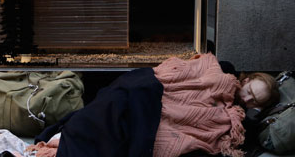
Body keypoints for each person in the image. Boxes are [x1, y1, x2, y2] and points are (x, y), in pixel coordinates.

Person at [31, 54, 280, 157]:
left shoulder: (236, 118)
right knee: (115, 104)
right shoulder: (225, 74)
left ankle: (68, 140)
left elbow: (230, 133)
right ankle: (71, 136)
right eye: (249, 91)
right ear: (246, 80)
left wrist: (249, 113)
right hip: (149, 87)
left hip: (161, 117)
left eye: (255, 101)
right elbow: (195, 70)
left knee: (123, 133)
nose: (247, 99)